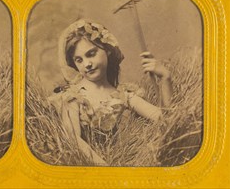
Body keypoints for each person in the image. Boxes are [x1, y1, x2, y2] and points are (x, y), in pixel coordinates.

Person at [49, 19, 173, 165]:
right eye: (79, 60)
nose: (86, 64)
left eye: (91, 54)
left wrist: (165, 78)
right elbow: (73, 139)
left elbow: (165, 119)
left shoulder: (123, 95)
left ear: (107, 50)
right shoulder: (73, 96)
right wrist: (106, 170)